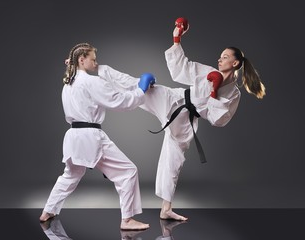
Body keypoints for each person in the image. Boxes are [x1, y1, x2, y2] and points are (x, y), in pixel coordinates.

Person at [99, 18, 266, 221]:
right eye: (220, 56)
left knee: (173, 161)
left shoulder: (234, 94)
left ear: (235, 63)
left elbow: (218, 120)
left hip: (187, 122)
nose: (219, 60)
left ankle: (166, 209)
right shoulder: (209, 72)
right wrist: (177, 39)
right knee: (135, 85)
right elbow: (182, 69)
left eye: (224, 57)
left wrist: (213, 93)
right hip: (174, 99)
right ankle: (98, 71)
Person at [39, 42, 156, 231]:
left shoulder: (68, 84)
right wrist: (140, 90)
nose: (96, 63)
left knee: (71, 174)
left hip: (72, 136)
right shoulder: (91, 82)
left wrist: (74, 65)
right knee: (127, 172)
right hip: (90, 136)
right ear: (82, 60)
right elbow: (120, 101)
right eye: (93, 59)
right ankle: (127, 220)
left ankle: (48, 211)